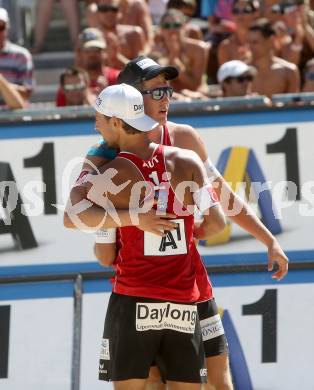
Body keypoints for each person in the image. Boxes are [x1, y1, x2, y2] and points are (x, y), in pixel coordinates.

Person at [65, 55, 289, 390]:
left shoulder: (180, 139)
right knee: (163, 381)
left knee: (219, 380)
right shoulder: (105, 151)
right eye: (155, 91)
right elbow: (86, 224)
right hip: (159, 282)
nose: (165, 97)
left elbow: (223, 198)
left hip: (183, 282)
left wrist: (268, 239)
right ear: (131, 98)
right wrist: (137, 224)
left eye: (167, 89)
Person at [74, 83, 227, 389]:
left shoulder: (113, 172)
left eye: (100, 118)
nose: (95, 125)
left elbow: (79, 223)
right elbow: (217, 222)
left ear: (117, 123)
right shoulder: (188, 160)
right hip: (183, 299)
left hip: (134, 296)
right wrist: (186, 233)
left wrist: (132, 218)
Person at [150, 9, 210, 98]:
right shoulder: (155, 53)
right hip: (169, 99)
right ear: (161, 30)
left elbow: (195, 86)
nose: (172, 29)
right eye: (167, 26)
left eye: (176, 25)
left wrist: (174, 61)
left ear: (184, 27)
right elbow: (157, 86)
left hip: (194, 97)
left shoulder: (199, 49)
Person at [248, 18, 301, 97]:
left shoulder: (289, 71)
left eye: (255, 42)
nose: (250, 47)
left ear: (270, 40)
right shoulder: (242, 72)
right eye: (249, 42)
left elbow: (293, 106)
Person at [86, 0, 145, 69]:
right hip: (103, 79)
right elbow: (82, 71)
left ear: (121, 10)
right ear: (97, 12)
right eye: (103, 9)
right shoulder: (89, 36)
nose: (109, 13)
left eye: (114, 9)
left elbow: (141, 69)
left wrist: (117, 57)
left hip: (128, 79)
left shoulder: (134, 33)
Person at [0, 7, 34, 106]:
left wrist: (2, 84)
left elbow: (26, 93)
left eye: (1, 27)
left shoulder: (21, 55)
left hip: (16, 118)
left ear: (8, 26)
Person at [217, 0, 260, 65]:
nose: (240, 14)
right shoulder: (225, 47)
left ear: (255, 14)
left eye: (246, 10)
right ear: (231, 15)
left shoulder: (263, 42)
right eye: (236, 11)